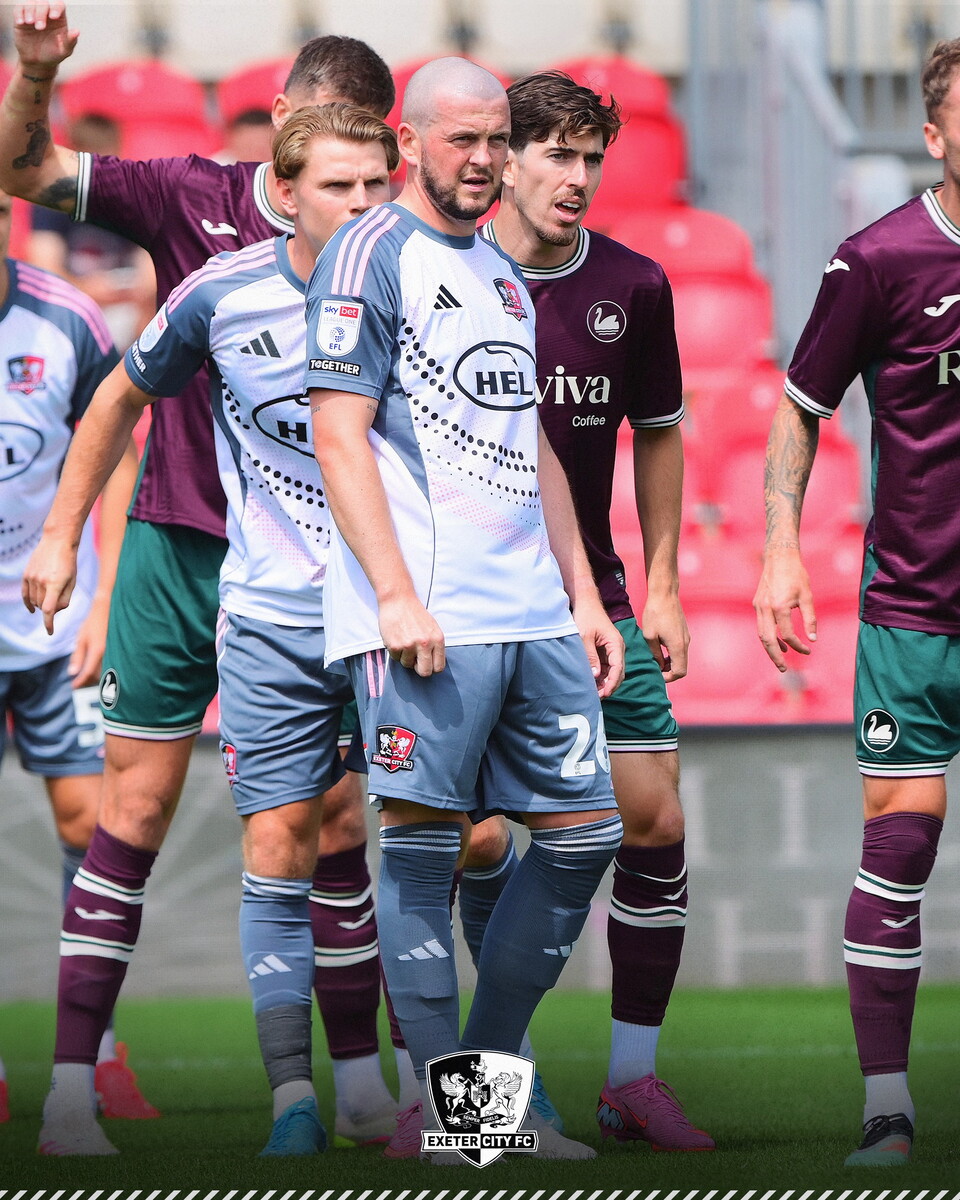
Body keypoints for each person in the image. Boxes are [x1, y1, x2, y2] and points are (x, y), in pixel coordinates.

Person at [0, 1, 398, 1152]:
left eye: (370, 145)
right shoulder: (193, 204)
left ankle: (412, 1093)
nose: (353, 173)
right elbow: (23, 166)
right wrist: (34, 75)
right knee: (136, 808)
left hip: (340, 568)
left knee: (384, 828)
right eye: (328, 141)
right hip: (185, 547)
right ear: (280, 127)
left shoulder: (408, 249)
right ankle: (78, 1092)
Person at [307, 56, 625, 1163]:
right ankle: (461, 1118)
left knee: (588, 833)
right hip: (428, 615)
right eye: (464, 140)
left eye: (498, 139)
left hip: (532, 608)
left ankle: (470, 1098)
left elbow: (530, 441)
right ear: (410, 139)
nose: (487, 160)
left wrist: (585, 593)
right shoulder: (367, 253)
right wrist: (392, 595)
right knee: (425, 849)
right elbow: (338, 433)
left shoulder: (495, 266)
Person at [453, 70, 715, 1154]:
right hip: (463, 604)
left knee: (651, 821)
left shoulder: (634, 286)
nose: (576, 177)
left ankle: (630, 1079)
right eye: (554, 154)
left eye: (590, 157)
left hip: (592, 601)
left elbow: (659, 429)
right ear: (502, 160)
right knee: (468, 845)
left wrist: (660, 580)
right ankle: (487, 1094)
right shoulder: (441, 276)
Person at [752, 37, 960, 1170]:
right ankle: (889, 1110)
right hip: (916, 616)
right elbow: (798, 409)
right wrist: (781, 550)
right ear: (932, 135)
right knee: (900, 847)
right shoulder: (877, 261)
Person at [0, 187, 140, 1122]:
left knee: (90, 824)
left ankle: (95, 1054)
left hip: (59, 622)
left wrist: (113, 600)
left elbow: (121, 449)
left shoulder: (66, 316)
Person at [28, 113, 155, 348]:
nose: (103, 174)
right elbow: (44, 269)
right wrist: (85, 289)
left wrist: (139, 296)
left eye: (110, 161)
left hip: (126, 308)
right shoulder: (52, 201)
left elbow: (151, 269)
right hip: (70, 305)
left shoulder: (136, 199)